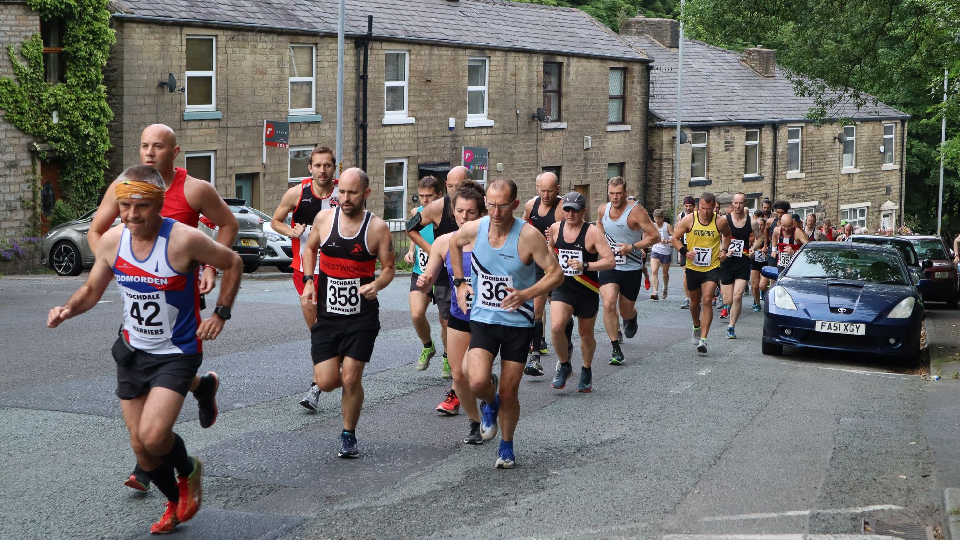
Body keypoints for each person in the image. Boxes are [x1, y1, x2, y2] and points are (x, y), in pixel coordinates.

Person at [48, 165, 243, 534]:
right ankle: (176, 496)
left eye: (141, 207)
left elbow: (232, 262)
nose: (131, 215)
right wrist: (68, 309)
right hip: (133, 351)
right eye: (125, 206)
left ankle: (187, 472)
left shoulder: (183, 240)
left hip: (177, 351)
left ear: (158, 205)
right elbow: (91, 290)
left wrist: (221, 312)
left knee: (154, 436)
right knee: (141, 448)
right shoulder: (112, 241)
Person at [87, 123, 237, 493]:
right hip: (142, 280)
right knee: (151, 353)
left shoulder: (194, 189)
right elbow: (96, 231)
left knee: (170, 354)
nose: (149, 153)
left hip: (181, 280)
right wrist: (116, 264)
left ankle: (146, 460)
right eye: (143, 146)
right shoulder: (127, 185)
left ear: (175, 152)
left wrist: (210, 268)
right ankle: (200, 389)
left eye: (157, 146)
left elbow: (228, 225)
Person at [448, 178, 563, 469]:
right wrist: (460, 283)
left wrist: (526, 293)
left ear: (514, 204)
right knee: (476, 381)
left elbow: (555, 274)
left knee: (510, 392)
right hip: (484, 319)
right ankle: (490, 402)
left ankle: (507, 445)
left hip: (518, 324)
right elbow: (454, 241)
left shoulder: (528, 236)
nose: (496, 212)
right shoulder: (476, 228)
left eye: (502, 206)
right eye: (491, 205)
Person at [300, 168, 395, 459]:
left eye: (352, 193)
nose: (345, 198)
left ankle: (348, 435)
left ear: (366, 193)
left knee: (352, 378)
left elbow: (389, 268)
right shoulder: (324, 219)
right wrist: (308, 282)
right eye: (342, 192)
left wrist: (376, 284)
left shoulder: (377, 228)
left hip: (361, 316)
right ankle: (347, 391)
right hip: (329, 313)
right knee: (327, 381)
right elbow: (310, 249)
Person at [269, 146, 340, 412]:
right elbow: (275, 220)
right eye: (318, 165)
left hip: (337, 271)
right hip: (304, 270)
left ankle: (316, 386)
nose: (323, 170)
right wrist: (291, 230)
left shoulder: (342, 194)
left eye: (328, 165)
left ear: (334, 168)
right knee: (317, 329)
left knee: (330, 327)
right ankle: (325, 372)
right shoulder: (297, 193)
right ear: (310, 169)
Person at [417, 181, 487, 439]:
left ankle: (488, 391)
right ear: (452, 212)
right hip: (459, 316)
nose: (463, 217)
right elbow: (428, 281)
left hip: (487, 317)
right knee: (458, 376)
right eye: (459, 211)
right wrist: (425, 282)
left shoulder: (490, 241)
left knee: (472, 371)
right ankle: (474, 421)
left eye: (470, 212)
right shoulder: (444, 242)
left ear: (481, 213)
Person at [547, 192, 616, 392]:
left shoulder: (592, 232)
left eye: (574, 210)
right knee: (557, 326)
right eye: (566, 209)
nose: (570, 214)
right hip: (563, 288)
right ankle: (565, 364)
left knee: (585, 335)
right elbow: (551, 247)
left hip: (587, 289)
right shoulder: (555, 228)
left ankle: (586, 369)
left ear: (583, 211)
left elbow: (609, 260)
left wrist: (584, 265)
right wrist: (551, 263)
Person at [407, 166, 470, 379]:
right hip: (442, 271)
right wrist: (433, 251)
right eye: (451, 186)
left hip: (471, 270)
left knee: (452, 321)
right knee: (426, 315)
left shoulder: (480, 205)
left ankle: (451, 357)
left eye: (459, 186)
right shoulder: (437, 207)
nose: (455, 191)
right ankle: (438, 351)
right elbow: (410, 227)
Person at [595, 177, 659, 365]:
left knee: (625, 311)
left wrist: (632, 247)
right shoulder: (602, 209)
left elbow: (654, 236)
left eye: (618, 193)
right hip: (610, 266)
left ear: (625, 192)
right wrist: (601, 241)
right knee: (608, 304)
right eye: (612, 193)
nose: (615, 197)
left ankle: (631, 318)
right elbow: (599, 224)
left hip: (631, 267)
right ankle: (616, 348)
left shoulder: (636, 212)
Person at [671, 192, 732, 354]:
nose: (706, 212)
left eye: (709, 209)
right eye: (703, 208)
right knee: (694, 304)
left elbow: (727, 235)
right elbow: (675, 239)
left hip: (712, 266)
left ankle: (703, 339)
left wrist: (724, 250)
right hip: (693, 267)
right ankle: (696, 325)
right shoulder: (689, 219)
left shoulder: (720, 221)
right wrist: (685, 251)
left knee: (707, 300)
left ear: (714, 207)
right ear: (699, 207)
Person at [520, 172, 564, 377]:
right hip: (539, 263)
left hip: (561, 265)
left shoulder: (563, 208)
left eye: (550, 191)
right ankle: (535, 357)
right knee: (537, 308)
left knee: (560, 317)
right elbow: (520, 228)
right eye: (542, 190)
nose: (545, 195)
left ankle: (566, 350)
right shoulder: (531, 206)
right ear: (537, 188)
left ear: (557, 189)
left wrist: (556, 237)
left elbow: (574, 235)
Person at [402, 176, 443, 374]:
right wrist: (411, 250)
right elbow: (414, 232)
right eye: (422, 196)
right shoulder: (416, 212)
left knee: (446, 321)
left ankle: (448, 358)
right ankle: (428, 346)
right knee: (417, 314)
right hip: (421, 270)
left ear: (439, 195)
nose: (425, 200)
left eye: (430, 196)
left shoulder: (446, 214)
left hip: (443, 273)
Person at [717, 193, 756, 339]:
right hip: (727, 261)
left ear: (745, 204)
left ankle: (731, 327)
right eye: (735, 203)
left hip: (743, 262)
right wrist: (724, 250)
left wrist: (753, 248)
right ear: (732, 203)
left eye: (741, 203)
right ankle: (729, 309)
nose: (738, 206)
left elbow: (758, 239)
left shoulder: (752, 222)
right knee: (728, 300)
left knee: (738, 296)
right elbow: (717, 239)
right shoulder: (724, 220)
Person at [649, 209, 673, 300]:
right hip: (655, 250)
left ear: (662, 218)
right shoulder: (653, 226)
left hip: (666, 251)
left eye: (659, 218)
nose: (657, 220)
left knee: (664, 273)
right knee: (654, 270)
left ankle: (665, 287)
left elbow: (675, 237)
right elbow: (649, 236)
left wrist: (666, 241)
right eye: (655, 218)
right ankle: (655, 292)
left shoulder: (667, 226)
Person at [677, 196, 696, 309]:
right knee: (686, 273)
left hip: (696, 245)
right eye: (686, 206)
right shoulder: (681, 216)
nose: (688, 208)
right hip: (685, 246)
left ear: (694, 206)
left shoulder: (697, 215)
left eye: (690, 206)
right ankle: (687, 298)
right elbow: (678, 230)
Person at [748, 209, 768, 312]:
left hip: (765, 263)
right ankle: (757, 303)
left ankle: (764, 292)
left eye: (761, 225)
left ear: (764, 226)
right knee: (754, 286)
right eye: (758, 225)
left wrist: (767, 250)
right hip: (755, 262)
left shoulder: (767, 237)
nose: (760, 227)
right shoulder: (752, 237)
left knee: (762, 285)